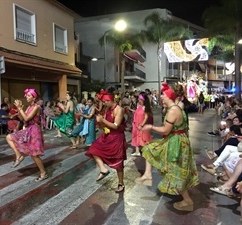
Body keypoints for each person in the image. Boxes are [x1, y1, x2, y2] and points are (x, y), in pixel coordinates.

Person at [140, 82, 199, 212]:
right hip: (179, 140)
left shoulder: (173, 110)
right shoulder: (177, 108)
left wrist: (151, 127)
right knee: (175, 169)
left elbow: (166, 130)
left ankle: (188, 201)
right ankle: (148, 174)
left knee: (175, 171)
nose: (161, 98)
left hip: (175, 142)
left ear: (169, 97)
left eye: (163, 96)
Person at [85, 89, 127, 193]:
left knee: (118, 163)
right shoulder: (107, 109)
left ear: (111, 100)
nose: (104, 103)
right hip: (107, 136)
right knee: (93, 149)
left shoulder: (119, 110)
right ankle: (103, 169)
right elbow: (105, 124)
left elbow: (116, 126)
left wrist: (103, 120)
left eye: (105, 101)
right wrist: (100, 124)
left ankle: (121, 183)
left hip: (117, 137)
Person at [6, 88, 47, 182]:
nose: (26, 97)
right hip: (28, 129)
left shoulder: (36, 107)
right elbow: (23, 119)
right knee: (9, 137)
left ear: (34, 97)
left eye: (29, 96)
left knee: (34, 155)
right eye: (27, 95)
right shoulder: (29, 107)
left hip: (34, 130)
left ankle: (43, 173)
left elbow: (27, 118)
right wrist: (19, 110)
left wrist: (20, 108)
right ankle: (18, 155)